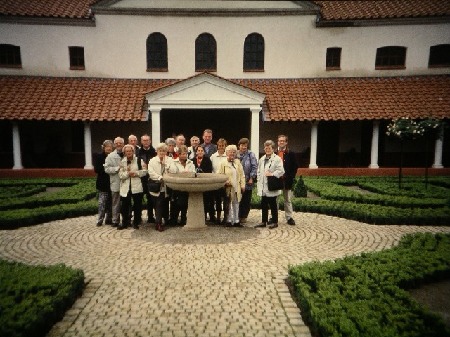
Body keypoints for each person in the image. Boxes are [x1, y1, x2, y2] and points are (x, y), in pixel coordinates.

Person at [255, 140, 285, 229]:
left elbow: (281, 171)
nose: (267, 149)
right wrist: (259, 179)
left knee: (273, 204)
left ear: (273, 149)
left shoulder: (277, 159)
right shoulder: (262, 158)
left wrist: (272, 174)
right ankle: (264, 221)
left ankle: (275, 222)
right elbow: (259, 171)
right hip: (263, 185)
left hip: (271, 185)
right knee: (263, 204)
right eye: (266, 148)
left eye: (269, 148)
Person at [118, 144, 147, 230]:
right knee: (124, 206)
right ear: (124, 152)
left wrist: (136, 173)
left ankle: (136, 222)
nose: (129, 152)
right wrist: (127, 174)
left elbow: (145, 171)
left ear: (133, 151)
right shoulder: (122, 162)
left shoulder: (139, 160)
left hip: (137, 186)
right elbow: (120, 175)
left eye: (130, 151)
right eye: (127, 151)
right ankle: (125, 223)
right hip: (125, 187)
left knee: (137, 206)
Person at [148, 143, 173, 232]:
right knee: (158, 204)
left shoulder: (169, 160)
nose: (162, 152)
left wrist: (165, 165)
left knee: (165, 203)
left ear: (166, 152)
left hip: (166, 186)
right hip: (156, 185)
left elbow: (173, 170)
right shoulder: (152, 160)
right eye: (160, 151)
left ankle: (165, 219)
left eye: (164, 151)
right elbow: (151, 172)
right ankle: (158, 223)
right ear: (157, 151)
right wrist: (160, 178)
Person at [167, 145, 196, 225]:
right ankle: (174, 219)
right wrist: (181, 173)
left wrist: (188, 174)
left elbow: (194, 173)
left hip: (187, 186)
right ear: (178, 154)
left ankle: (183, 219)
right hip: (177, 186)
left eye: (185, 154)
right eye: (182, 154)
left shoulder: (191, 163)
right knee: (175, 204)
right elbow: (173, 172)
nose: (184, 155)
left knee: (185, 204)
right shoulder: (173, 162)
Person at [218, 144, 246, 227]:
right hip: (228, 187)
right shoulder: (223, 163)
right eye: (230, 152)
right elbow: (219, 174)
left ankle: (236, 220)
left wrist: (243, 185)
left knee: (236, 203)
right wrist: (225, 182)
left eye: (234, 152)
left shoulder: (238, 162)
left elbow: (242, 175)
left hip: (237, 187)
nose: (232, 154)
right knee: (228, 204)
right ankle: (228, 220)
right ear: (227, 153)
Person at [276, 134, 298, 226]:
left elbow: (295, 166)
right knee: (275, 199)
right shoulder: (274, 153)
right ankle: (274, 217)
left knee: (287, 199)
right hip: (276, 180)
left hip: (286, 180)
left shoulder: (291, 154)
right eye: (279, 140)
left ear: (286, 142)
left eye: (283, 141)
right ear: (277, 142)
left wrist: (291, 176)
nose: (281, 142)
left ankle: (289, 217)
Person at [104, 137, 125, 227]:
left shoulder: (127, 153)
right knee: (115, 202)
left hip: (126, 182)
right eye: (117, 143)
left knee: (126, 203)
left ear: (123, 144)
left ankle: (126, 219)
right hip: (115, 182)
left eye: (120, 143)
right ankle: (115, 220)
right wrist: (117, 168)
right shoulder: (110, 156)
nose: (119, 144)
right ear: (114, 145)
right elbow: (107, 169)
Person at [237, 137, 258, 224]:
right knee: (238, 199)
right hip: (237, 181)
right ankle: (237, 215)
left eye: (245, 145)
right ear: (239, 146)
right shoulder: (236, 154)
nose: (244, 147)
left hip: (247, 181)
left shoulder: (251, 155)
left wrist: (251, 178)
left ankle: (244, 216)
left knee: (246, 199)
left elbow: (254, 167)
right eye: (242, 145)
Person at [94, 139, 113, 226]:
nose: (109, 148)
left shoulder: (113, 156)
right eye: (107, 147)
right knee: (102, 203)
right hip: (103, 183)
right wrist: (107, 169)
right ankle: (100, 219)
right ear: (103, 147)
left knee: (110, 202)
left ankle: (109, 219)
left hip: (112, 183)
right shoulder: (99, 156)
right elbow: (97, 169)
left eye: (110, 147)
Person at [138, 134, 157, 223]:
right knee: (139, 198)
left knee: (151, 199)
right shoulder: (138, 152)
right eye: (144, 140)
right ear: (141, 142)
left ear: (150, 141)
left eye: (147, 140)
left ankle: (150, 217)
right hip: (140, 179)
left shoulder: (154, 152)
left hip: (150, 178)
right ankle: (138, 217)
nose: (146, 142)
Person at [193, 145, 215, 222]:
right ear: (196, 152)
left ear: (204, 152)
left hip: (205, 183)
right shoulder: (192, 160)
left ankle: (209, 217)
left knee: (207, 200)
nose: (200, 152)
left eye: (202, 151)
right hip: (194, 183)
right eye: (198, 150)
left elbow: (209, 171)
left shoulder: (207, 160)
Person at [210, 138, 228, 224]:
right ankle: (218, 218)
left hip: (226, 182)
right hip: (216, 181)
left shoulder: (227, 156)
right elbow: (211, 169)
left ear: (225, 146)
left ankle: (225, 217)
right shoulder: (213, 156)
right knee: (217, 200)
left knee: (225, 200)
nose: (221, 147)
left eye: (223, 146)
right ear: (217, 146)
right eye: (219, 146)